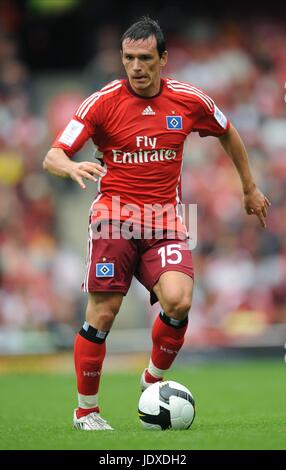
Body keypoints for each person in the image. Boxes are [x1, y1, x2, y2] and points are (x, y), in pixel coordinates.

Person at [43, 16, 271, 431]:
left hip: (165, 220)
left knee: (180, 300)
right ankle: (86, 412)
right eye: (129, 58)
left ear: (163, 59)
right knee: (104, 314)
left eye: (145, 58)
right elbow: (52, 154)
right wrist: (70, 166)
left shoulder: (189, 100)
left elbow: (228, 132)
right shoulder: (102, 102)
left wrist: (249, 188)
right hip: (113, 220)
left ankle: (150, 381)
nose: (136, 66)